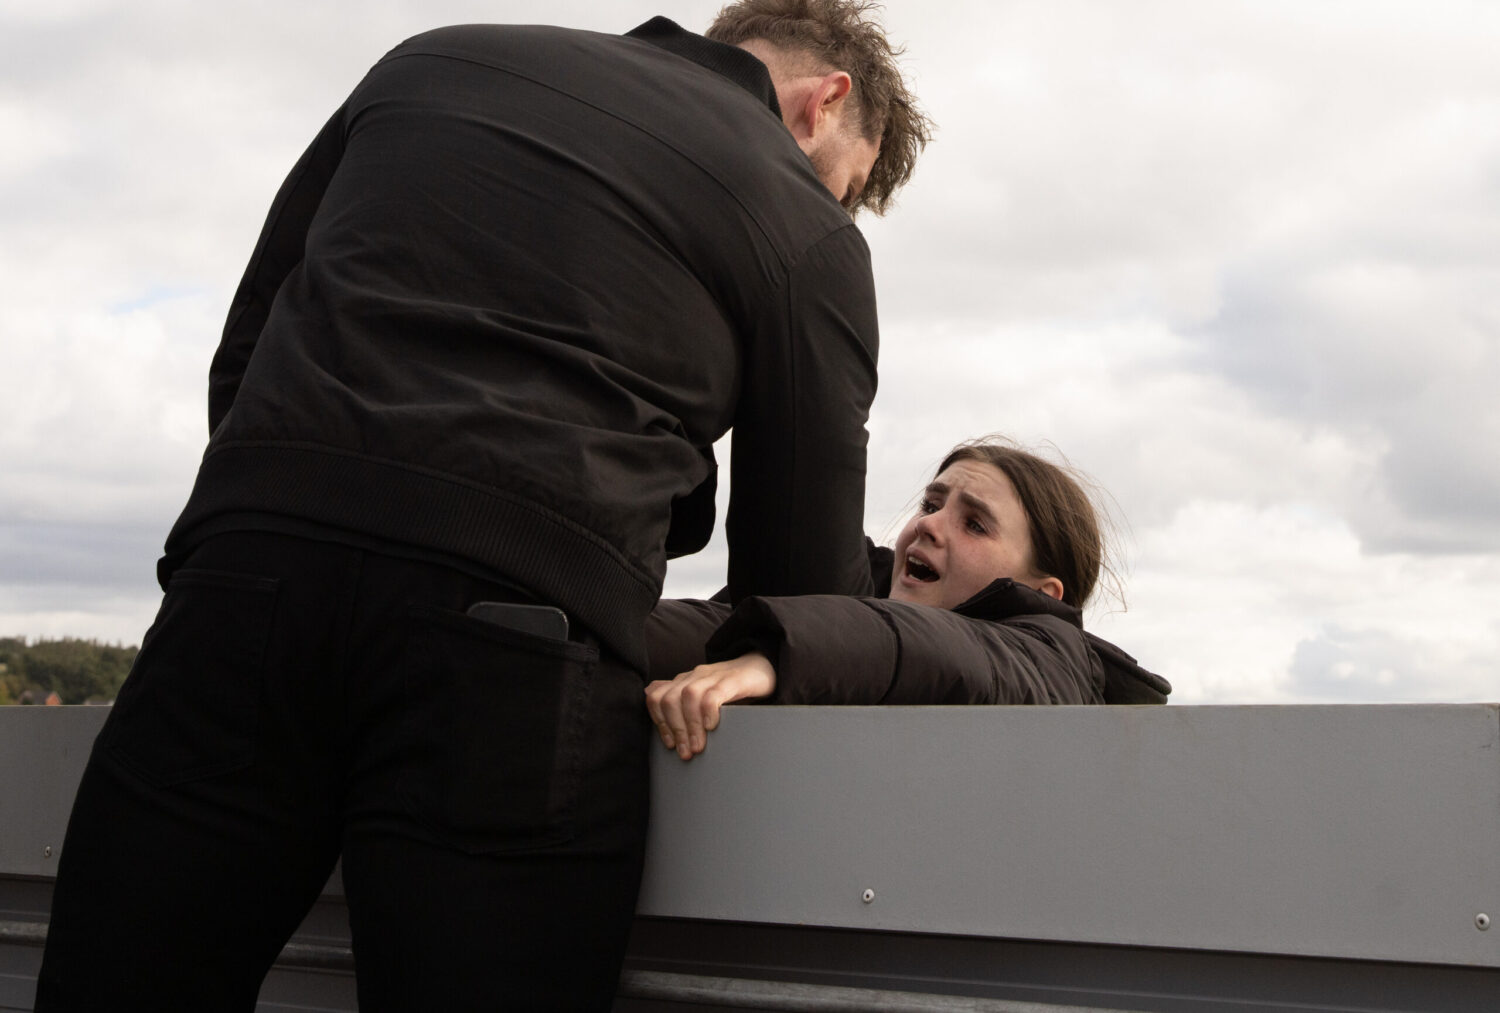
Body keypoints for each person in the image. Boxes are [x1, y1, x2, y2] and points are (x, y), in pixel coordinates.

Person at [37, 3, 930, 1010]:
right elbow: (798, 584)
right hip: (517, 649)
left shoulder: (432, 59)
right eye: (848, 187)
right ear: (823, 103)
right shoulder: (804, 223)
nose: (835, 207)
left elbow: (249, 346)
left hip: (243, 582)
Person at [645, 438, 1171, 760]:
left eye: (975, 524)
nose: (929, 526)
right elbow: (711, 625)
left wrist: (776, 655)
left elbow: (946, 652)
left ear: (1042, 594)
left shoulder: (1055, 660)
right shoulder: (846, 601)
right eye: (931, 504)